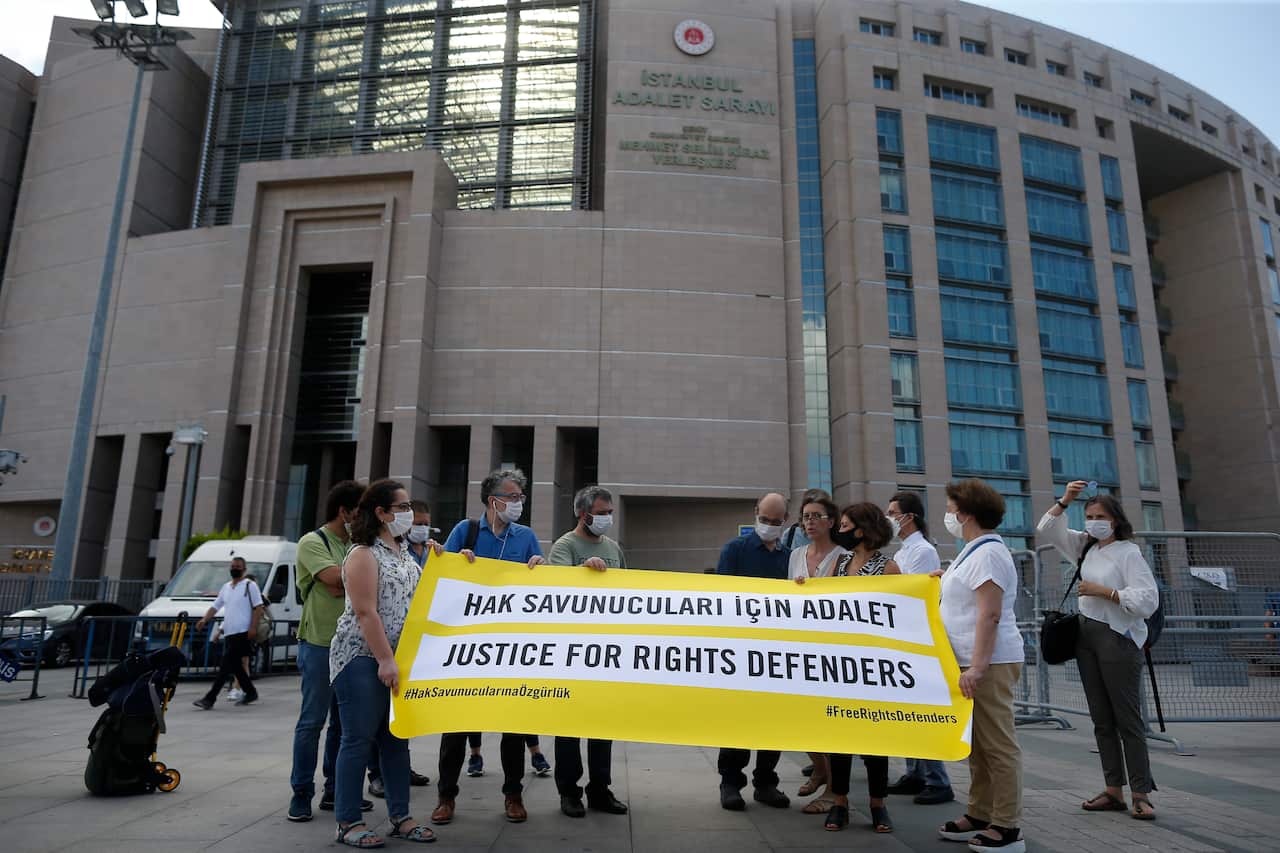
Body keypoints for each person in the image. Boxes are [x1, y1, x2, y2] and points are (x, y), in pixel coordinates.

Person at [1037, 481, 1160, 821]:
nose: (1093, 521)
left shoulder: (1129, 552)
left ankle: (1140, 793)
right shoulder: (1085, 547)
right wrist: (1066, 500)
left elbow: (1148, 600)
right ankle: (1112, 790)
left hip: (1117, 636)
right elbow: (1046, 528)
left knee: (1127, 719)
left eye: (1100, 516)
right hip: (1086, 636)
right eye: (1089, 516)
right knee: (1101, 720)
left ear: (1115, 520)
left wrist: (1105, 592)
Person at [433, 467, 545, 825]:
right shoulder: (464, 531)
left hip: (510, 649)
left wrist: (540, 569)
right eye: (512, 497)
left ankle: (513, 795)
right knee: (456, 728)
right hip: (467, 650)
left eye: (521, 497)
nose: (518, 503)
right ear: (492, 499)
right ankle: (446, 797)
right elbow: (439, 581)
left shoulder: (525, 536)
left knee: (512, 727)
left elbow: (540, 587)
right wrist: (453, 563)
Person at [330, 479, 435, 847]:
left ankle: (400, 816)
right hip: (361, 658)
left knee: (396, 741)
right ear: (381, 512)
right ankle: (348, 822)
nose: (409, 514)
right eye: (402, 508)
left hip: (397, 660)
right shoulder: (363, 554)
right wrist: (385, 660)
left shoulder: (405, 554)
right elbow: (365, 612)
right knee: (357, 740)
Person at [935, 479, 1026, 853]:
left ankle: (1007, 825)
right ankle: (979, 812)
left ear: (965, 513)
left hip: (988, 663)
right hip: (969, 661)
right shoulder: (973, 551)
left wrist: (977, 668)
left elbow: (989, 614)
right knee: (978, 746)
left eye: (951, 507)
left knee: (998, 745)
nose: (948, 515)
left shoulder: (988, 554)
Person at [288, 480, 375, 822]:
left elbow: (351, 582)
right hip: (320, 643)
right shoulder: (313, 541)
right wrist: (350, 580)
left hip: (353, 647)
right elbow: (330, 577)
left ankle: (335, 791)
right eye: (360, 511)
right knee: (312, 722)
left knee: (344, 725)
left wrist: (346, 582)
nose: (363, 517)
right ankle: (301, 793)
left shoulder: (356, 544)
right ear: (344, 511)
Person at [547, 485, 630, 818]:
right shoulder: (564, 546)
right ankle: (569, 792)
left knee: (602, 726)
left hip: (607, 650)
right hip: (572, 652)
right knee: (569, 727)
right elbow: (560, 592)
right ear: (584, 514)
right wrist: (585, 574)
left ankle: (600, 789)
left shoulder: (613, 548)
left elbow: (628, 592)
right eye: (602, 512)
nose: (607, 518)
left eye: (610, 512)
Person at [818, 504, 898, 832]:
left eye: (847, 525)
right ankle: (840, 801)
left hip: (874, 665)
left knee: (874, 736)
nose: (841, 529)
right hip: (841, 662)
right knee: (841, 735)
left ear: (861, 530)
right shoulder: (841, 563)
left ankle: (878, 804)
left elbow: (899, 614)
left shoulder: (888, 567)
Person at [713, 491, 792, 812]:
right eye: (764, 520)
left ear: (784, 522)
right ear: (755, 513)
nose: (769, 526)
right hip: (741, 651)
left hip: (777, 653)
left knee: (772, 721)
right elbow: (719, 598)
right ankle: (730, 783)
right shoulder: (735, 550)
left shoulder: (791, 557)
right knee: (738, 721)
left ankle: (766, 782)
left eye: (775, 522)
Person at [883, 491, 955, 806]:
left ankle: (938, 781)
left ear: (908, 516)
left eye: (892, 512)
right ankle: (915, 772)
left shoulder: (922, 551)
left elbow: (914, 594)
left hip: (916, 639)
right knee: (906, 713)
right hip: (903, 637)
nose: (889, 517)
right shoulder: (902, 551)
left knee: (920, 712)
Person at [367, 499, 432, 799]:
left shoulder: (416, 553)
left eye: (422, 522)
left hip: (409, 646)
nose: (418, 526)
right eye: (414, 520)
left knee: (399, 717)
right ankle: (376, 775)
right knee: (371, 722)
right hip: (378, 651)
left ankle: (399, 771)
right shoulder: (369, 553)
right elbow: (366, 610)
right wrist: (384, 658)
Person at [790, 494, 847, 809]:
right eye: (805, 516)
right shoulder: (796, 554)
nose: (809, 522)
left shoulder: (843, 556)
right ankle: (821, 770)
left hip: (831, 649)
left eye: (816, 516)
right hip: (800, 645)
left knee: (829, 724)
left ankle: (832, 789)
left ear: (831, 521)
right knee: (799, 718)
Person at [192, 557, 263, 711]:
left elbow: (258, 608)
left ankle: (210, 698)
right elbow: (216, 606)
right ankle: (251, 692)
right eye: (232, 566)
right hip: (230, 633)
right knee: (236, 666)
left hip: (243, 632)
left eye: (238, 566)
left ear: (244, 569)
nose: (234, 569)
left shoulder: (249, 586)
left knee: (225, 666)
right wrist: (205, 619)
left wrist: (253, 627)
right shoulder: (226, 588)